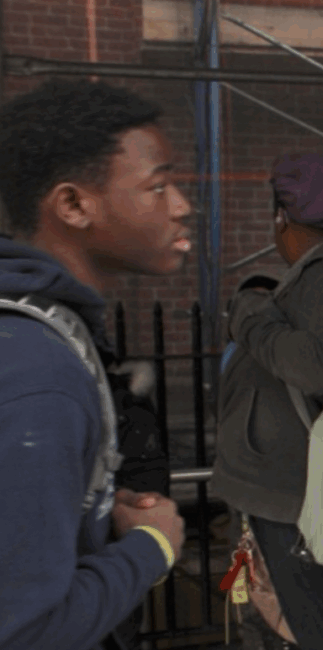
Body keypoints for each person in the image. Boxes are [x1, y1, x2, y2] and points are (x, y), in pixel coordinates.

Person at [0, 79, 190, 649]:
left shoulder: (39, 334)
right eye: (158, 186)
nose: (182, 205)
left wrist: (91, 514)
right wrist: (151, 547)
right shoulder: (40, 373)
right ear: (73, 204)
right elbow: (25, 631)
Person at [211, 152, 323, 649]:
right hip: (288, 497)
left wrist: (249, 317)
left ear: (283, 218)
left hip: (299, 504)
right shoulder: (321, 274)